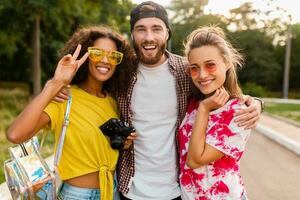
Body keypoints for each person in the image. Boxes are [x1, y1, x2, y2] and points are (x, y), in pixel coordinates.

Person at [116, 1, 263, 200]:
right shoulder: (120, 73)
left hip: (175, 190)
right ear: (132, 33)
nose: (149, 37)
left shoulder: (184, 71)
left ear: (167, 33)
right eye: (141, 29)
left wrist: (256, 103)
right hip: (131, 187)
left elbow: (221, 85)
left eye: (156, 29)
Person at [6, 25, 136, 200]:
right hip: (77, 195)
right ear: (86, 56)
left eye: (113, 56)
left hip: (112, 191)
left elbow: (98, 146)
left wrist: (124, 143)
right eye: (97, 53)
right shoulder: (64, 98)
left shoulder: (113, 102)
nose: (105, 60)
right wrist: (54, 84)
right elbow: (15, 134)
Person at [178, 26, 251, 199]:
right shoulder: (192, 103)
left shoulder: (238, 112)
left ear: (226, 63)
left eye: (210, 65)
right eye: (194, 68)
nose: (202, 75)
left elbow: (195, 160)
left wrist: (204, 109)